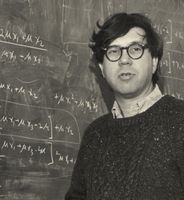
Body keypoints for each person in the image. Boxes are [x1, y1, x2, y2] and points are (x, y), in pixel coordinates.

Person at [65, 12, 184, 200]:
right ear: (102, 69)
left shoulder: (179, 120)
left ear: (154, 62)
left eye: (135, 49)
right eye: (113, 51)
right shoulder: (94, 135)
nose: (124, 59)